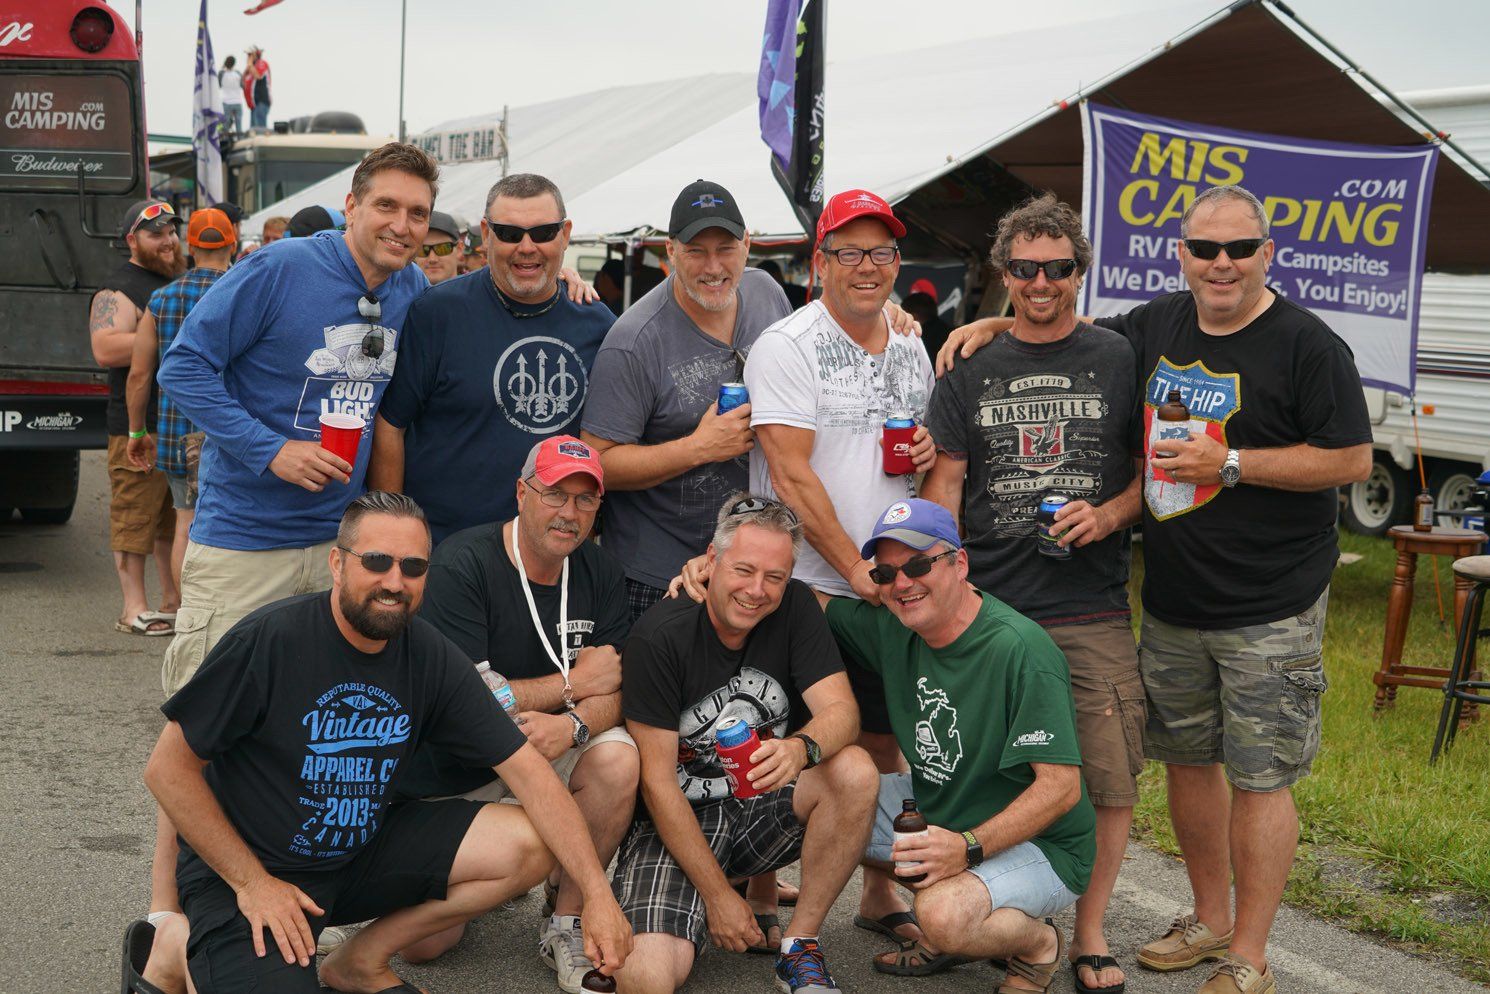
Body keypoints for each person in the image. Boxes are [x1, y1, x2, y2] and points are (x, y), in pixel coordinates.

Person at [940, 185, 1373, 994]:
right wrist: (995, 322)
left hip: (1269, 604)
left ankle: (1249, 954)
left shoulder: (1307, 345)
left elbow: (1351, 461)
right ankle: (1209, 919)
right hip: (1173, 599)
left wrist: (1232, 464)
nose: (1221, 263)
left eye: (1239, 249)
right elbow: (1057, 324)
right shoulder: (1157, 324)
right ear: (1181, 253)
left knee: (1260, 776)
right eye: (1205, 248)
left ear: (1266, 254)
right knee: (1188, 764)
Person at [143, 491, 633, 993]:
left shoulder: (428, 654)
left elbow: (529, 773)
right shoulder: (270, 640)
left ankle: (360, 960)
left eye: (414, 567)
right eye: (376, 562)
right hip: (251, 876)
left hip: (355, 858)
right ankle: (177, 947)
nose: (395, 583)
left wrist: (597, 894)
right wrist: (252, 883)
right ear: (337, 563)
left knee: (530, 842)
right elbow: (168, 769)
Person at [919, 194, 1141, 993]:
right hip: (994, 606)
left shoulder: (1121, 355)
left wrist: (1110, 512)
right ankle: (988, 908)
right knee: (973, 766)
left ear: (1080, 271)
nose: (1041, 282)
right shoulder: (969, 363)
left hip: (1090, 604)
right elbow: (945, 481)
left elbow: (1160, 467)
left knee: (1105, 773)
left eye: (1057, 268)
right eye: (1024, 269)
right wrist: (946, 583)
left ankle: (1087, 932)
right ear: (1002, 273)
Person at [741, 187, 936, 951]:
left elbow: (912, 451)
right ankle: (760, 887)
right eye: (848, 252)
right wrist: (853, 569)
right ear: (818, 261)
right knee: (792, 726)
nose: (866, 266)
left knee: (886, 734)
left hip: (889, 579)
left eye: (881, 252)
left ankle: (879, 889)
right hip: (810, 581)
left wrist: (921, 450)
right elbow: (789, 475)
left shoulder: (911, 342)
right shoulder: (787, 345)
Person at [391, 436, 637, 992]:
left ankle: (567, 919)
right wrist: (575, 685)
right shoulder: (465, 562)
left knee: (619, 759)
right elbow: (468, 699)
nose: (568, 514)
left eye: (584, 501)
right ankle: (499, 873)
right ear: (521, 492)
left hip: (553, 740)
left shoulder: (598, 571)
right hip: (464, 761)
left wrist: (571, 723)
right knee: (424, 947)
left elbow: (619, 689)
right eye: (555, 495)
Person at [823, 498, 1094, 994]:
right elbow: (801, 601)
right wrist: (711, 573)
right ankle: (961, 903)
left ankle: (1036, 946)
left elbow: (1062, 789)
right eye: (886, 573)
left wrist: (967, 849)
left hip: (1044, 847)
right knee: (820, 796)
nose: (902, 583)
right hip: (945, 822)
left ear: (960, 563)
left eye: (919, 565)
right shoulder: (894, 624)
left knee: (943, 917)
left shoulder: (1020, 648)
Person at [613, 495, 877, 994]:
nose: (757, 591)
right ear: (711, 562)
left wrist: (801, 749)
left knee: (853, 769)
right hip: (680, 821)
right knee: (645, 978)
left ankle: (800, 948)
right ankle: (707, 897)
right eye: (744, 570)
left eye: (774, 577)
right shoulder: (659, 636)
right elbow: (657, 784)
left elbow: (843, 714)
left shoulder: (796, 605)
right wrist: (717, 898)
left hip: (761, 808)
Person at [581, 179, 791, 621]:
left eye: (726, 248)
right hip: (658, 576)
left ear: (748, 245)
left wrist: (883, 309)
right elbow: (597, 465)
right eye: (696, 250)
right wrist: (697, 448)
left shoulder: (767, 294)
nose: (714, 266)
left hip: (753, 567)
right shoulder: (634, 341)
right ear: (669, 254)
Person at [369, 172, 614, 542]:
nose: (527, 247)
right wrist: (392, 533)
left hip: (552, 552)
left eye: (544, 233)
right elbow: (390, 426)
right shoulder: (437, 312)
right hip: (446, 549)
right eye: (510, 233)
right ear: (486, 235)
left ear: (564, 234)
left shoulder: (598, 324)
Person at [125, 207, 238, 597]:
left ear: (190, 246)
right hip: (233, 435)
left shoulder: (162, 298)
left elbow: (140, 374)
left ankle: (182, 609)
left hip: (176, 433)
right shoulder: (244, 289)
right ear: (233, 243)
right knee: (233, 530)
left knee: (184, 525)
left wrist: (137, 430)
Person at [90, 199, 186, 638]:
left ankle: (172, 601)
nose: (168, 241)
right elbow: (106, 348)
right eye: (156, 234)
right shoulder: (118, 287)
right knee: (133, 517)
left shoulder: (179, 279)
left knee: (171, 519)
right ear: (133, 239)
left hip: (177, 424)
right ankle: (133, 608)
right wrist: (167, 334)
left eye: (171, 232)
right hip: (136, 425)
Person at [417, 210, 464, 286]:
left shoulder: (479, 295)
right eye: (423, 250)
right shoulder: (400, 296)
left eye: (442, 249)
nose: (432, 259)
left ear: (459, 249)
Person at [243, 46, 271, 131]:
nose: (248, 57)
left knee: (260, 130)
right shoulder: (251, 67)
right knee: (253, 131)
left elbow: (258, 76)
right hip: (253, 104)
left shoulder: (261, 63)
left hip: (261, 102)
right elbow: (242, 82)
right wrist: (248, 68)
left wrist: (250, 64)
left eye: (250, 55)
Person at [219, 55, 244, 136]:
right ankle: (240, 140)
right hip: (237, 101)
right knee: (238, 124)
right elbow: (243, 85)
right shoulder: (238, 73)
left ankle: (225, 140)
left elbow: (219, 85)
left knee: (225, 125)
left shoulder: (222, 73)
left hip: (226, 101)